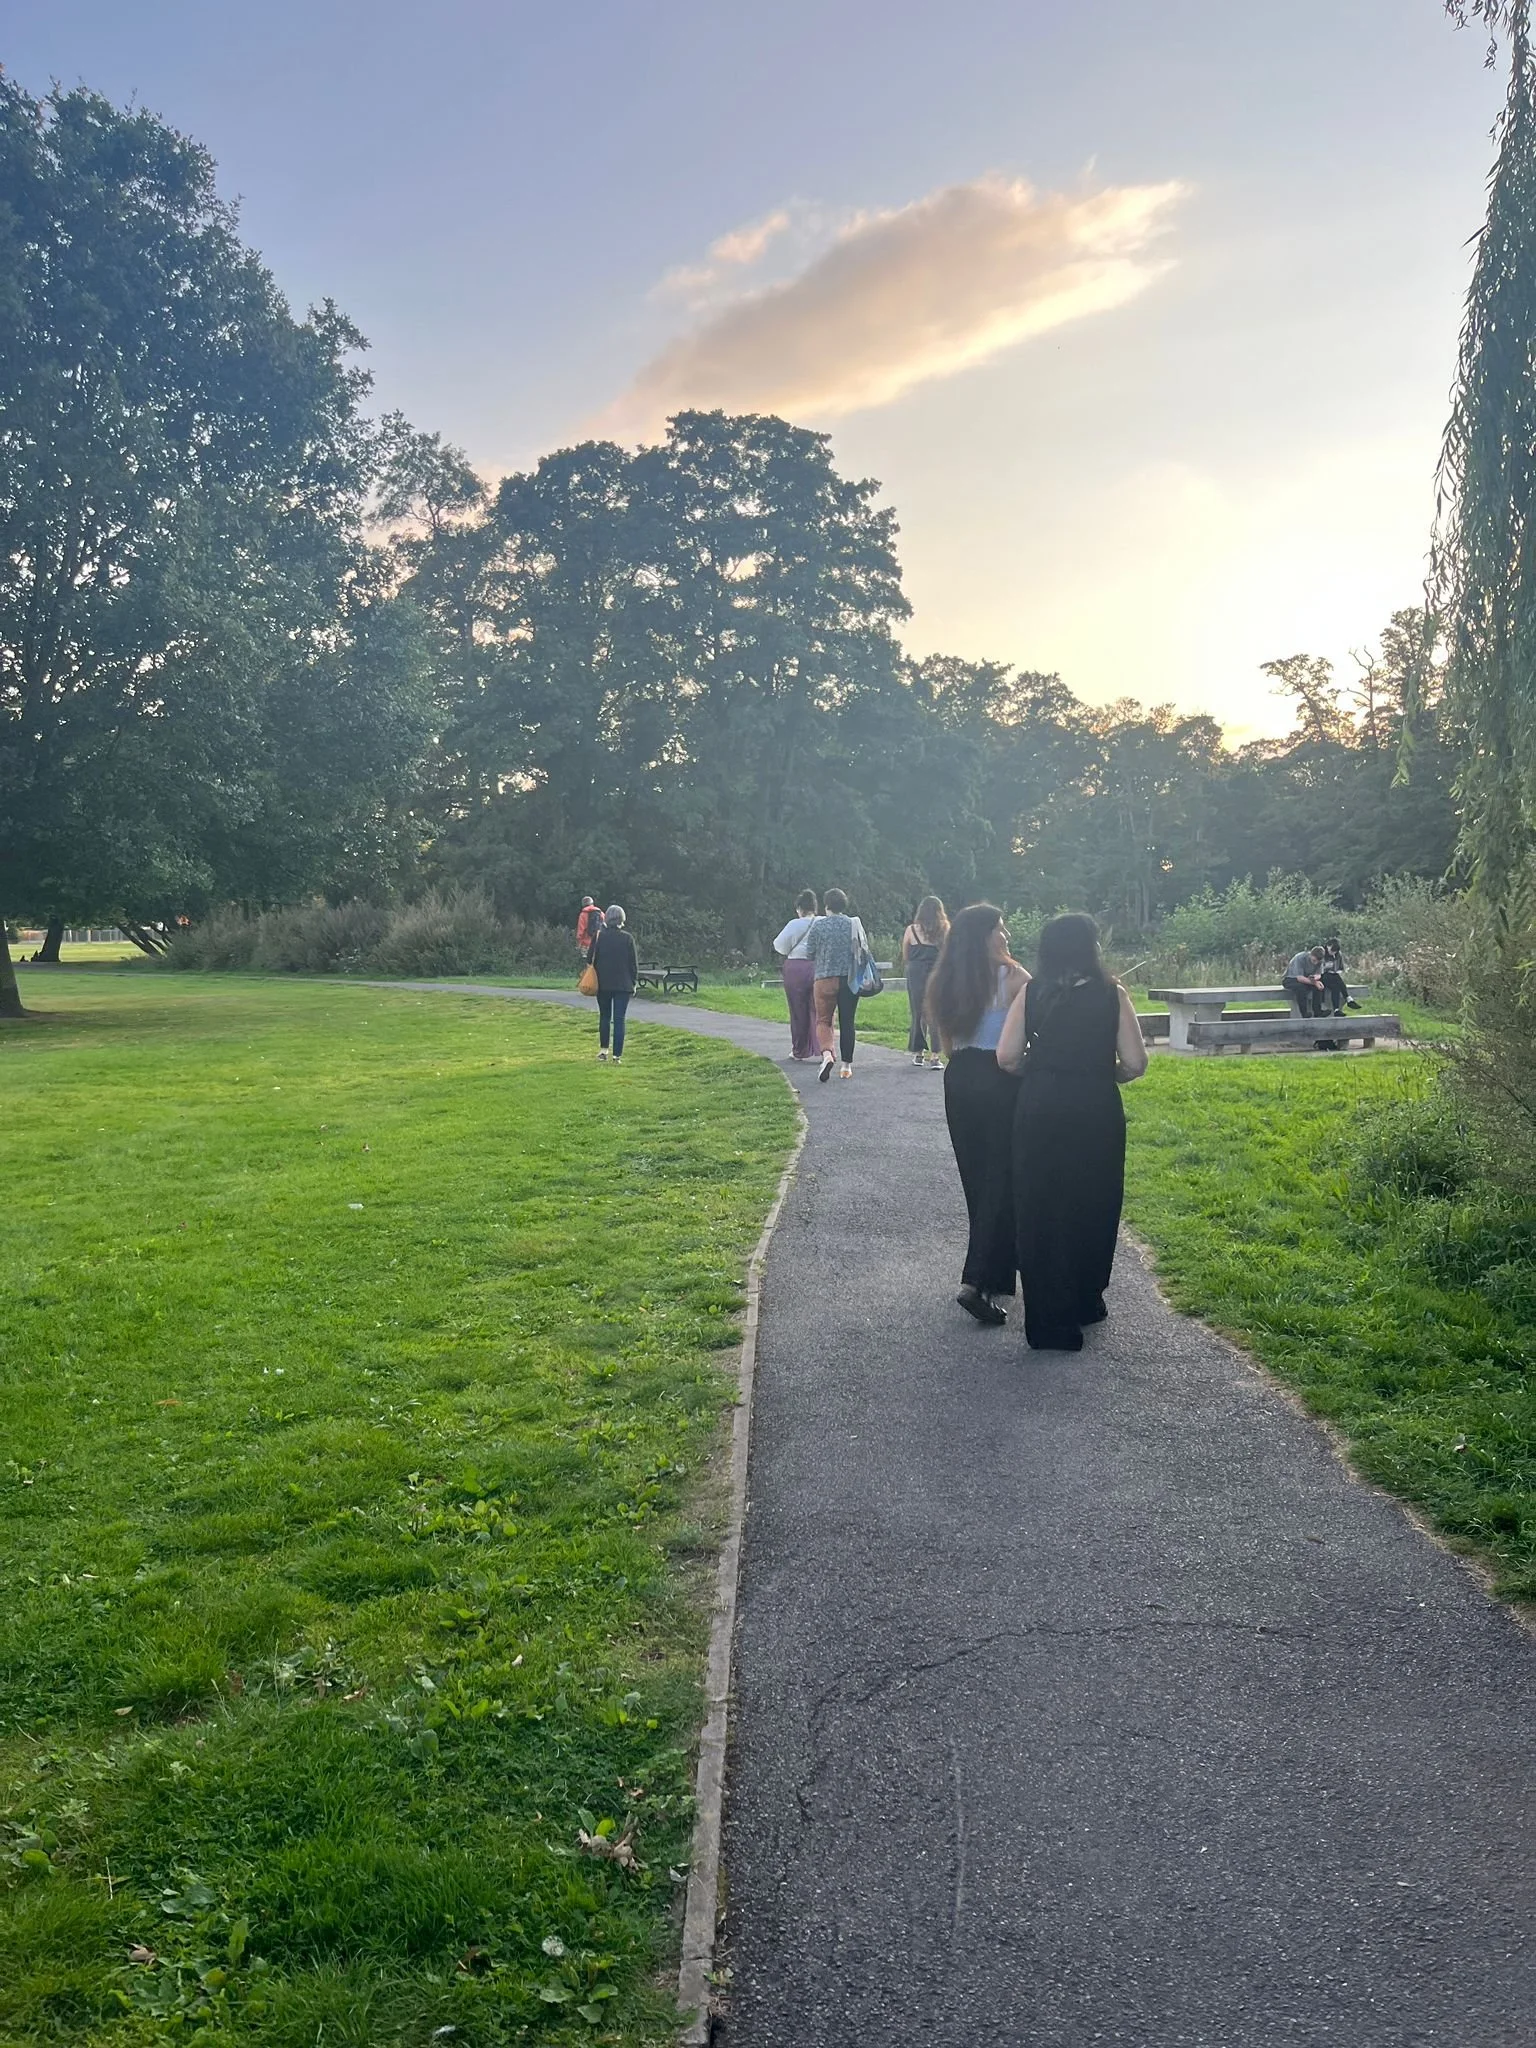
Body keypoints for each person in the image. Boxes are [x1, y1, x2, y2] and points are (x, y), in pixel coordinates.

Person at [997, 913, 1147, 1351]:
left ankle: (1047, 1318)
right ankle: (1086, 1299)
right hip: (1095, 1106)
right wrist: (1103, 1072)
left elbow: (1006, 1058)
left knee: (1041, 1203)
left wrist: (1042, 1071)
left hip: (1040, 1105)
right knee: (1093, 1200)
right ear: (1091, 947)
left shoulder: (1032, 992)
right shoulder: (1111, 994)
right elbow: (1136, 1063)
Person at [928, 903, 1030, 1324]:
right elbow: (1024, 1040)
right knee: (1003, 1179)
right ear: (983, 935)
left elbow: (948, 1047)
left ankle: (991, 1276)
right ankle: (979, 1280)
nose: (1005, 935)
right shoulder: (1015, 978)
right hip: (1000, 1079)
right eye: (999, 929)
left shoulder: (944, 980)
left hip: (960, 1079)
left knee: (977, 1178)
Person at [805, 887, 871, 1082]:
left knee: (823, 1020)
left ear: (826, 906)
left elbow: (809, 954)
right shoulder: (853, 924)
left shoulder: (818, 926)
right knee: (847, 1022)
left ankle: (826, 1055)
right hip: (849, 980)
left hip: (824, 979)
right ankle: (846, 1067)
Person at [902, 896, 950, 1068]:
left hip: (915, 972)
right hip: (936, 972)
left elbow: (906, 955)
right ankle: (936, 1055)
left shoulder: (911, 930)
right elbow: (948, 955)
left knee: (918, 1012)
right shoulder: (945, 929)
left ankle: (918, 1052)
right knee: (935, 1012)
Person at [772, 890, 820, 1060]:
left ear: (800, 908)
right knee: (820, 1009)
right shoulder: (823, 922)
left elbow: (780, 947)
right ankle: (823, 1049)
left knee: (797, 1010)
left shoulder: (794, 924)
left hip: (796, 967)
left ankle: (799, 1050)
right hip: (819, 967)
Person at [587, 903, 637, 1063]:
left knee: (604, 1017)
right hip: (623, 984)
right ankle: (617, 1055)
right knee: (619, 1019)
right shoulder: (628, 938)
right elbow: (633, 965)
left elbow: (590, 959)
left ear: (606, 918)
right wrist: (633, 983)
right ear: (622, 919)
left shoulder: (599, 936)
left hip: (603, 983)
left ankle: (603, 1051)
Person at [1283, 945, 1336, 1050]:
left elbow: (1319, 974)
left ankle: (1318, 1010)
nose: (1315, 963)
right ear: (1310, 955)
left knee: (1319, 987)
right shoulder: (1300, 958)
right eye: (1313, 960)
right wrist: (1314, 982)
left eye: (1317, 961)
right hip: (1291, 979)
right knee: (1301, 989)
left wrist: (1316, 979)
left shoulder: (1320, 961)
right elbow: (1299, 977)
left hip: (1307, 979)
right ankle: (1304, 1012)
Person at [1319, 937, 1359, 1015]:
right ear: (1328, 946)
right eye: (1332, 951)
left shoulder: (1337, 955)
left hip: (1332, 977)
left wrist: (1335, 971)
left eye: (1335, 952)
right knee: (1335, 977)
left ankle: (1336, 1009)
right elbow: (1319, 969)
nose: (1333, 953)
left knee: (1336, 986)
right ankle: (1348, 998)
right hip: (1321, 977)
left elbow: (1340, 967)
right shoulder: (1322, 952)